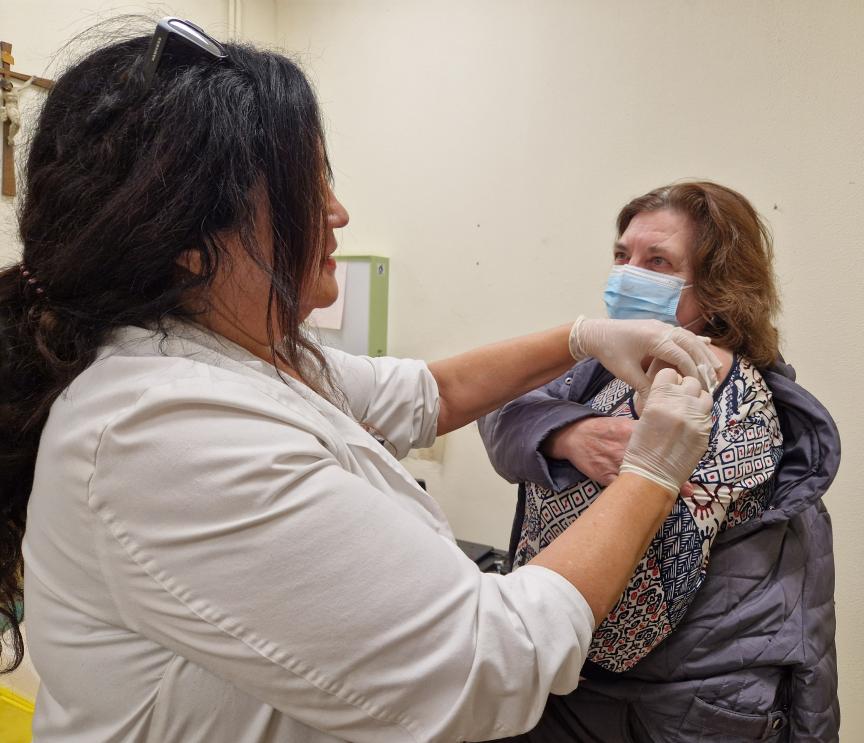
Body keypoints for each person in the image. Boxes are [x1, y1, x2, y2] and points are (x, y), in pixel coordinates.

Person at [0, 22, 721, 743]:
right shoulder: (158, 429)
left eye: (658, 261)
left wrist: (579, 336)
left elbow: (421, 392)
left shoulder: (233, 354)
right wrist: (651, 472)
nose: (337, 212)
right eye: (306, 186)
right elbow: (490, 661)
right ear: (187, 242)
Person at [480, 182, 842, 742]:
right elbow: (497, 407)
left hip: (675, 703)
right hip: (578, 676)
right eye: (622, 256)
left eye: (658, 262)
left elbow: (629, 622)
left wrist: (515, 630)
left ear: (718, 286)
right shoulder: (612, 363)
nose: (628, 275)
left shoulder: (725, 401)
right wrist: (566, 434)